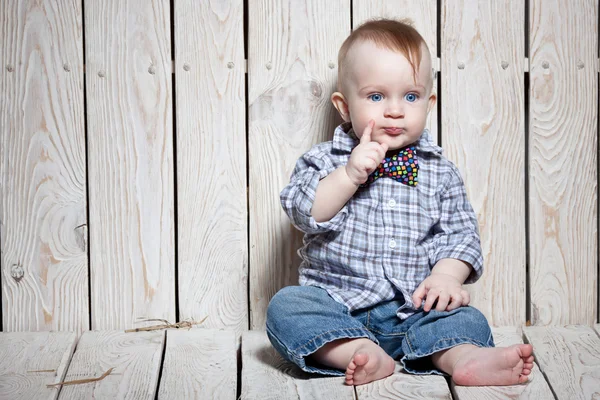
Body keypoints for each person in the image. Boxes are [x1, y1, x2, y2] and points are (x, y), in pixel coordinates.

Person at [266, 18, 534, 386]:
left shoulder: (440, 172)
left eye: (410, 96)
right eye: (376, 97)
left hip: (416, 309)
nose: (395, 110)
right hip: (338, 306)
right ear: (345, 107)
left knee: (466, 316)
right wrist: (348, 176)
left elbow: (461, 235)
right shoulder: (324, 161)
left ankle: (464, 357)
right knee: (285, 307)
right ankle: (357, 351)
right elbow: (303, 211)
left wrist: (445, 276)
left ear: (429, 101)